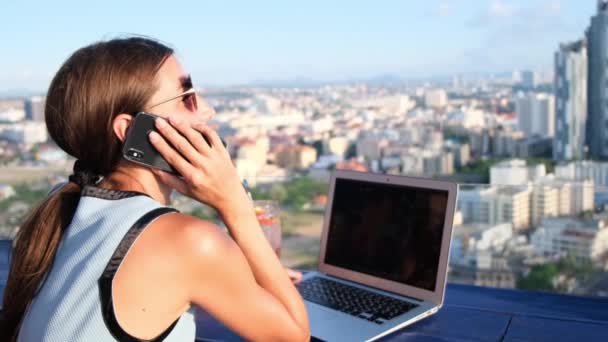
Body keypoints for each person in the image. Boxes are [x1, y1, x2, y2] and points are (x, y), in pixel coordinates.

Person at [0, 37, 310, 342]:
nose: (207, 111)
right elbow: (294, 337)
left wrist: (234, 279)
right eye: (186, 97)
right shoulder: (189, 241)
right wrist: (235, 205)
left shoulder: (66, 209)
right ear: (131, 131)